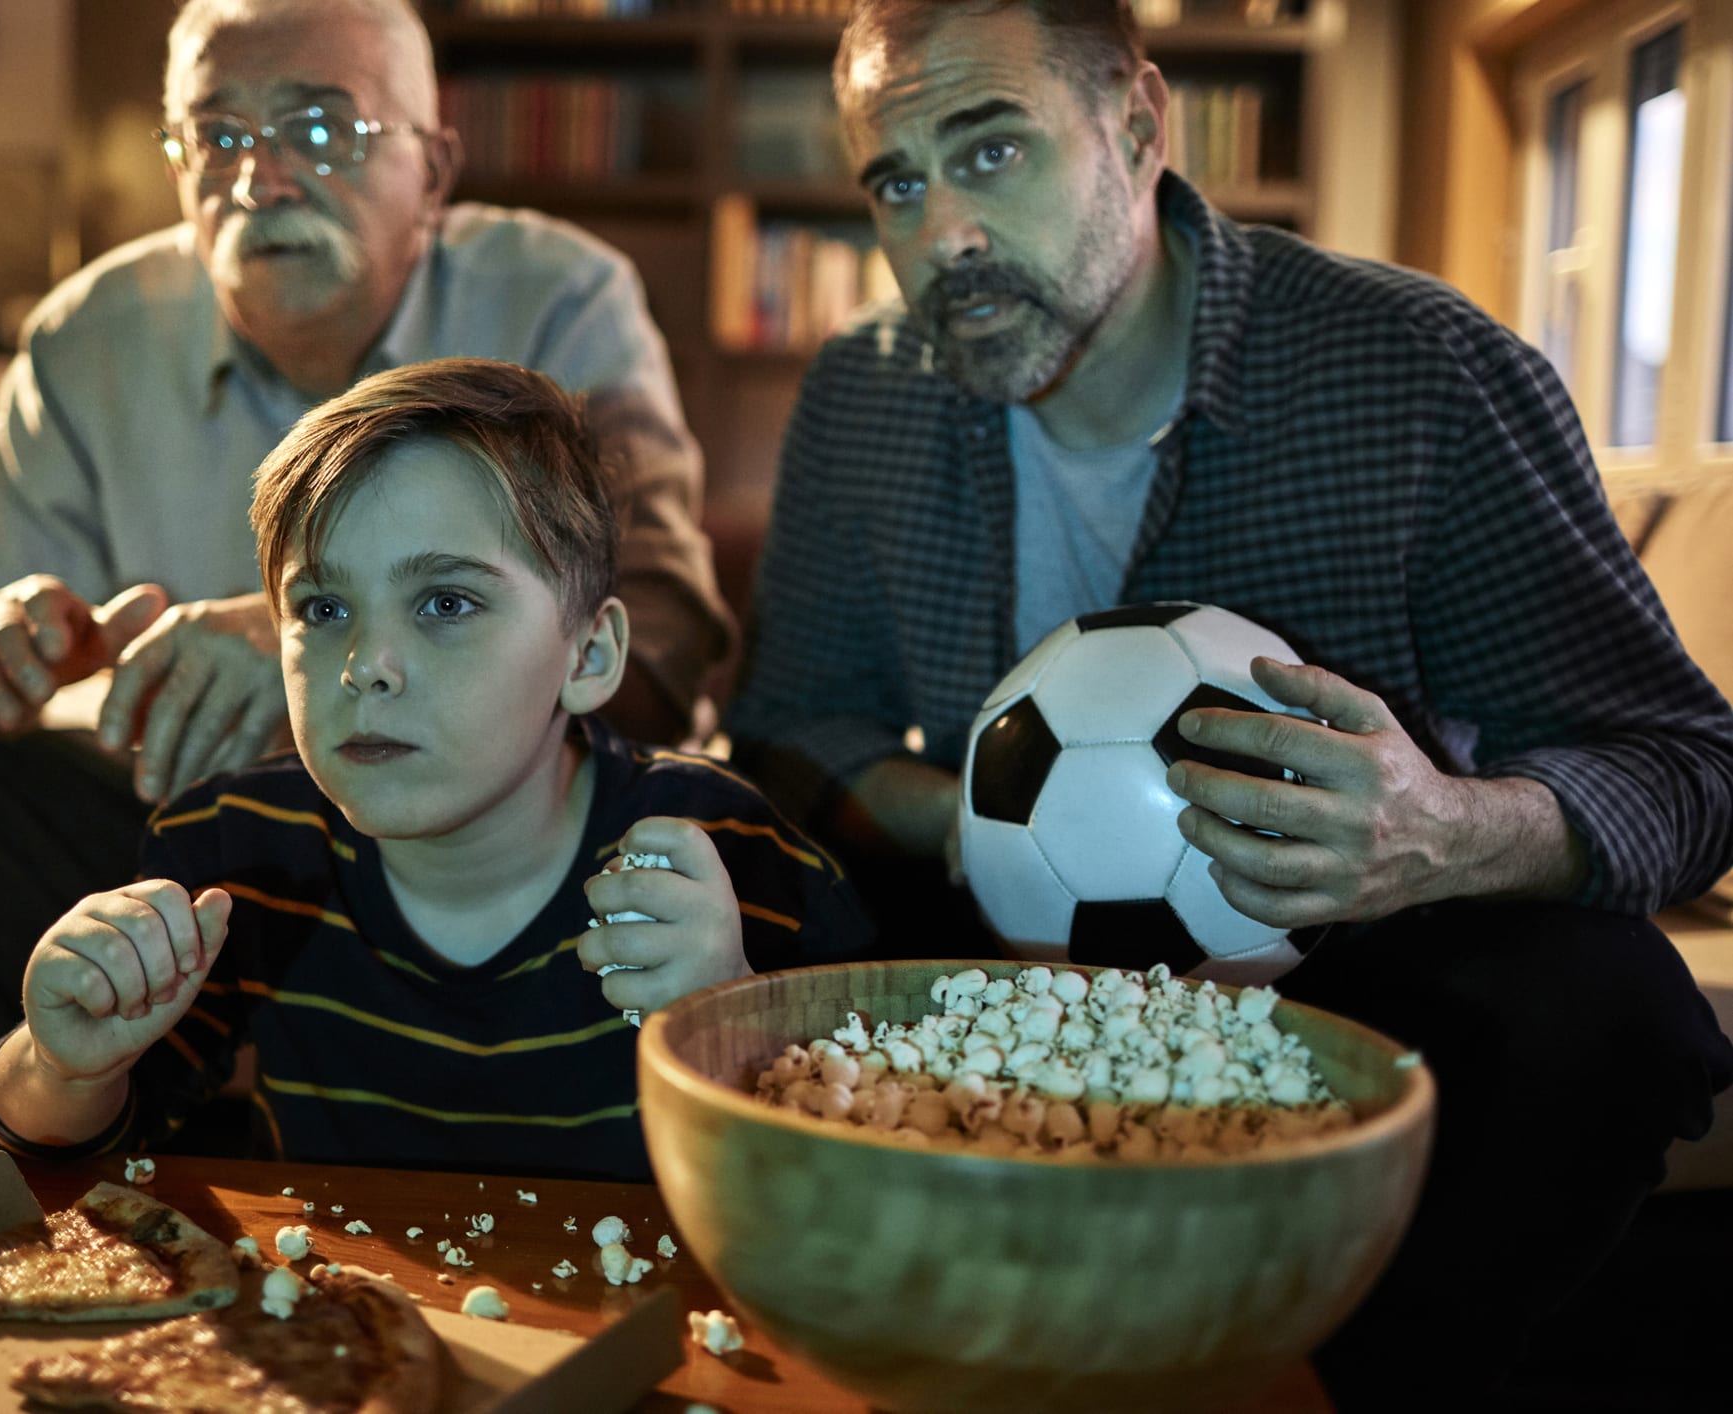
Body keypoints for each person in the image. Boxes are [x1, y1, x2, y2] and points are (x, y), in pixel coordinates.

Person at [723, 0, 1733, 1404]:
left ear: (1138, 125)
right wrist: (952, 820)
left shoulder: (1418, 374)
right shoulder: (863, 396)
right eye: (895, 181)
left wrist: (1445, 828)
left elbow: (1685, 762)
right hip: (1000, 946)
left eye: (991, 150)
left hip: (1348, 956)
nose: (940, 231)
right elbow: (786, 716)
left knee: (1617, 1009)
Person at [0, 0, 734, 1131]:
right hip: (210, 825)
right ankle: (73, 1177)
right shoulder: (92, 331)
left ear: (433, 169)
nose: (260, 178)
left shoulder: (560, 294)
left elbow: (662, 630)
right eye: (217, 137)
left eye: (320, 131)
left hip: (491, 804)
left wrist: (278, 640)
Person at [0, 358, 867, 1179]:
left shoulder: (727, 855)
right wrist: (59, 1065)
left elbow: (884, 1160)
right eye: (321, 607)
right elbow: (60, 1149)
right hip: (352, 1339)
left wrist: (734, 1014)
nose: (366, 665)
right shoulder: (241, 853)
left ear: (589, 656)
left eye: (445, 601)